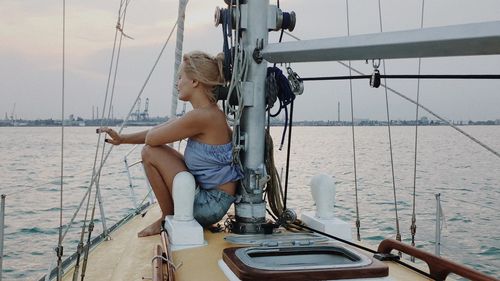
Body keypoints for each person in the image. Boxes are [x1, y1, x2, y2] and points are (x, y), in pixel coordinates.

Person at [98, 51, 243, 237]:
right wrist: (122, 139)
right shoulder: (207, 113)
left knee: (150, 152)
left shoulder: (203, 116)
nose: (177, 83)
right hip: (212, 200)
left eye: (180, 77)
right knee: (152, 148)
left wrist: (168, 126)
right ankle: (167, 217)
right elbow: (163, 129)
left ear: (195, 81)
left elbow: (152, 139)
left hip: (209, 205)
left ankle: (166, 219)